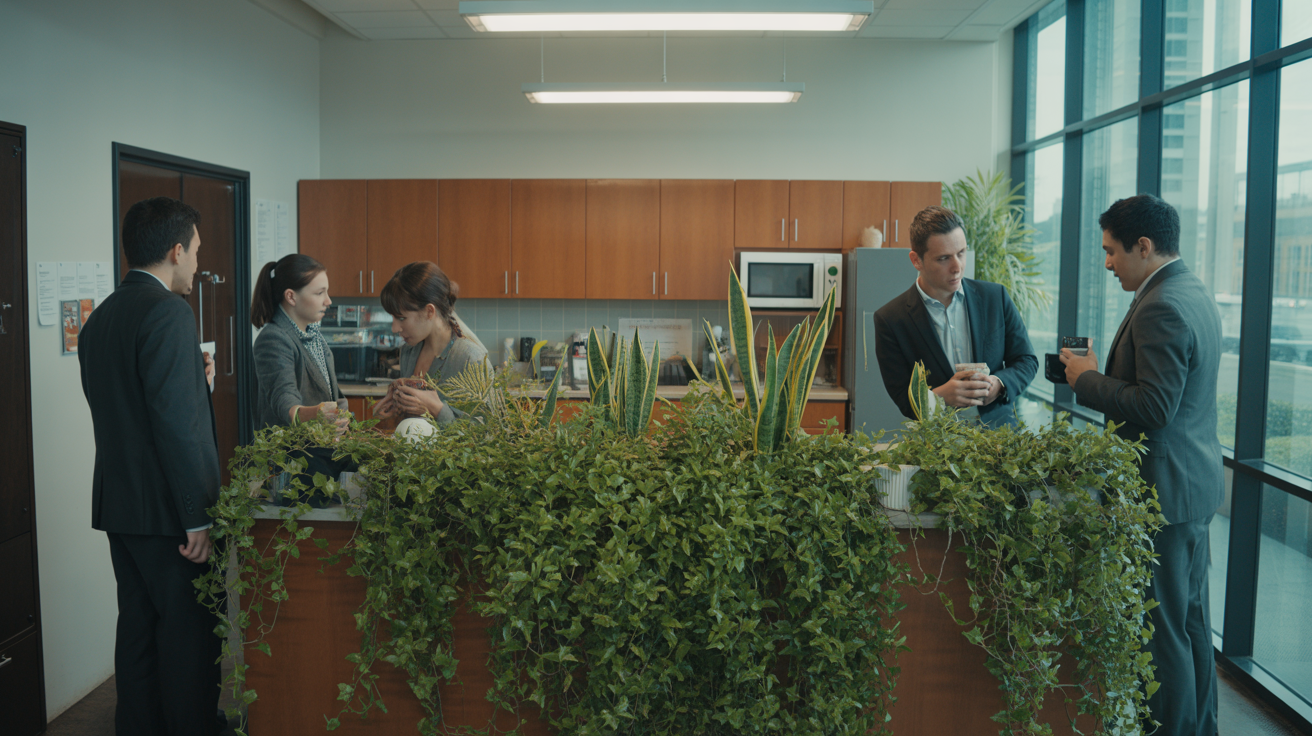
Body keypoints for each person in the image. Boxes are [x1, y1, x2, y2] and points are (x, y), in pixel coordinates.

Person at [1060, 194, 1222, 736]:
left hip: (1163, 495)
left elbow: (1154, 407)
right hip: (1190, 489)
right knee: (1191, 623)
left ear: (1144, 247)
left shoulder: (1162, 305)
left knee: (1163, 632)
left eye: (1111, 251)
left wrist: (1083, 377)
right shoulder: (1191, 290)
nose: (1107, 263)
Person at [78, 197, 225, 736]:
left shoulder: (102, 318)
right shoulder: (168, 311)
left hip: (121, 505)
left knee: (138, 632)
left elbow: (130, 409)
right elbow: (175, 427)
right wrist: (197, 517)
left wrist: (195, 379)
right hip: (170, 514)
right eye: (195, 254)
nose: (195, 268)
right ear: (175, 249)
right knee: (189, 635)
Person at [874, 205, 1038, 427]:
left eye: (961, 253)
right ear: (916, 260)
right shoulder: (890, 319)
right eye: (943, 258)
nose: (957, 267)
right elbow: (903, 397)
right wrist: (940, 398)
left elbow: (1026, 360)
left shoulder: (995, 297)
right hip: (937, 445)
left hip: (1001, 440)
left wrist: (999, 384)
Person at [250, 254, 352, 500]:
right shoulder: (274, 338)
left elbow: (332, 394)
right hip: (292, 467)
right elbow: (285, 401)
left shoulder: (314, 335)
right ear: (291, 296)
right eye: (320, 293)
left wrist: (343, 415)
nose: (328, 300)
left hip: (322, 454)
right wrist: (318, 413)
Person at [372, 261, 486, 425]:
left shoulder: (470, 358)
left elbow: (488, 433)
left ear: (429, 312)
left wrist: (438, 410)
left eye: (401, 318)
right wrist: (396, 406)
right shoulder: (408, 352)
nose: (395, 328)